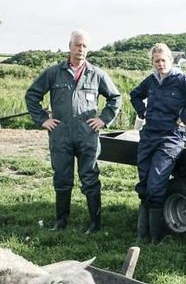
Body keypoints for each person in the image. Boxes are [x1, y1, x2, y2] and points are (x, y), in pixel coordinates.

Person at [25, 29, 122, 232]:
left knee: (90, 177)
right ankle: (61, 222)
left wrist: (103, 119)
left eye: (85, 46)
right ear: (69, 46)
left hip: (87, 135)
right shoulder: (54, 72)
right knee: (62, 177)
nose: (81, 49)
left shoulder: (96, 74)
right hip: (60, 135)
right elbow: (32, 95)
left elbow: (115, 98)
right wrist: (43, 119)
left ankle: (95, 224)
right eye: (77, 45)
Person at [130, 43, 186, 243]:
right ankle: (143, 235)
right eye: (156, 61)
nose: (160, 64)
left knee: (156, 184)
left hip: (170, 137)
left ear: (171, 60)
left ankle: (155, 239)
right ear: (152, 62)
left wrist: (184, 117)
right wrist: (142, 111)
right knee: (143, 183)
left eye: (163, 60)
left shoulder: (182, 80)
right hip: (149, 135)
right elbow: (134, 95)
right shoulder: (151, 81)